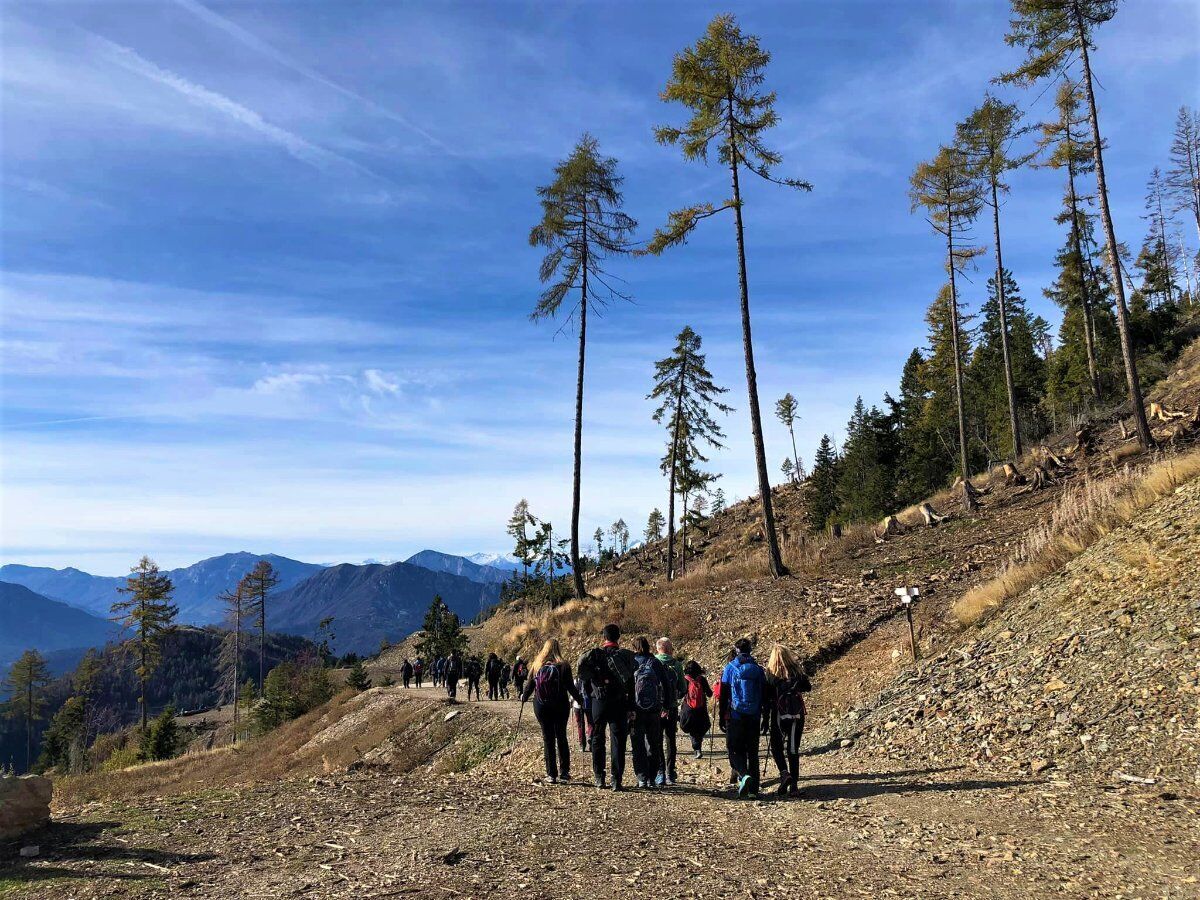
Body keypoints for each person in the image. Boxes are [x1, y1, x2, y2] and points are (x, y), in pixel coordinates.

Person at [577, 623, 636, 791]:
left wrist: (589, 699)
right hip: (619, 703)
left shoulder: (594, 656)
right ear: (619, 637)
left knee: (597, 738)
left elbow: (585, 682)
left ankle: (599, 777)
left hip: (598, 703)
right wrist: (631, 707)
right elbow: (631, 683)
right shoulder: (625, 657)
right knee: (618, 740)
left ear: (604, 637)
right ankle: (616, 779)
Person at [520, 638, 585, 784]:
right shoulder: (563, 666)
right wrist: (579, 700)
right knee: (561, 736)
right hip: (560, 705)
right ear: (558, 649)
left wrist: (524, 697)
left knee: (547, 738)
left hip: (541, 705)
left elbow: (530, 685)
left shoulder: (537, 665)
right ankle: (564, 773)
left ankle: (551, 774)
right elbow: (570, 687)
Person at [720, 638, 766, 799]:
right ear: (750, 650)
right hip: (754, 715)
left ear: (736, 650)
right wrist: (765, 718)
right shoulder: (758, 669)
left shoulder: (730, 668)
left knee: (734, 749)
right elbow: (765, 695)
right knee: (752, 752)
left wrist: (721, 716)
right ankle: (754, 790)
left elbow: (724, 693)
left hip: (736, 715)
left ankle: (743, 774)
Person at [763, 645, 811, 797]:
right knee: (793, 748)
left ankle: (784, 774)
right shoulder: (796, 670)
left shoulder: (771, 674)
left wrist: (764, 718)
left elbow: (766, 697)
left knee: (776, 747)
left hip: (778, 714)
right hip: (796, 715)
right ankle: (794, 786)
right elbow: (807, 687)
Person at [630, 637, 670, 789]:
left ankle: (641, 777)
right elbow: (666, 684)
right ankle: (652, 777)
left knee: (637, 744)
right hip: (654, 709)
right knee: (654, 743)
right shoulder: (655, 663)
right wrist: (666, 705)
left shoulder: (632, 662)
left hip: (636, 709)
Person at [654, 637, 686, 785]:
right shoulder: (676, 664)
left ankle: (659, 772)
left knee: (657, 739)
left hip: (655, 707)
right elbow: (683, 688)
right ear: (669, 649)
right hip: (671, 707)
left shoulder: (652, 661)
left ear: (658, 649)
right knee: (670, 739)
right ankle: (670, 772)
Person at [679, 659, 712, 759]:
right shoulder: (701, 679)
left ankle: (696, 748)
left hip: (688, 709)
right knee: (700, 728)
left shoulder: (685, 679)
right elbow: (710, 694)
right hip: (701, 708)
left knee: (691, 728)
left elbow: (680, 694)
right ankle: (698, 747)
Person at [571, 673, 592, 751]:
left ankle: (582, 744)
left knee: (580, 724)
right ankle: (590, 737)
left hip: (577, 704)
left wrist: (571, 701)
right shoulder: (589, 678)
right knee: (590, 722)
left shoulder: (575, 680)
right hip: (588, 703)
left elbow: (572, 692)